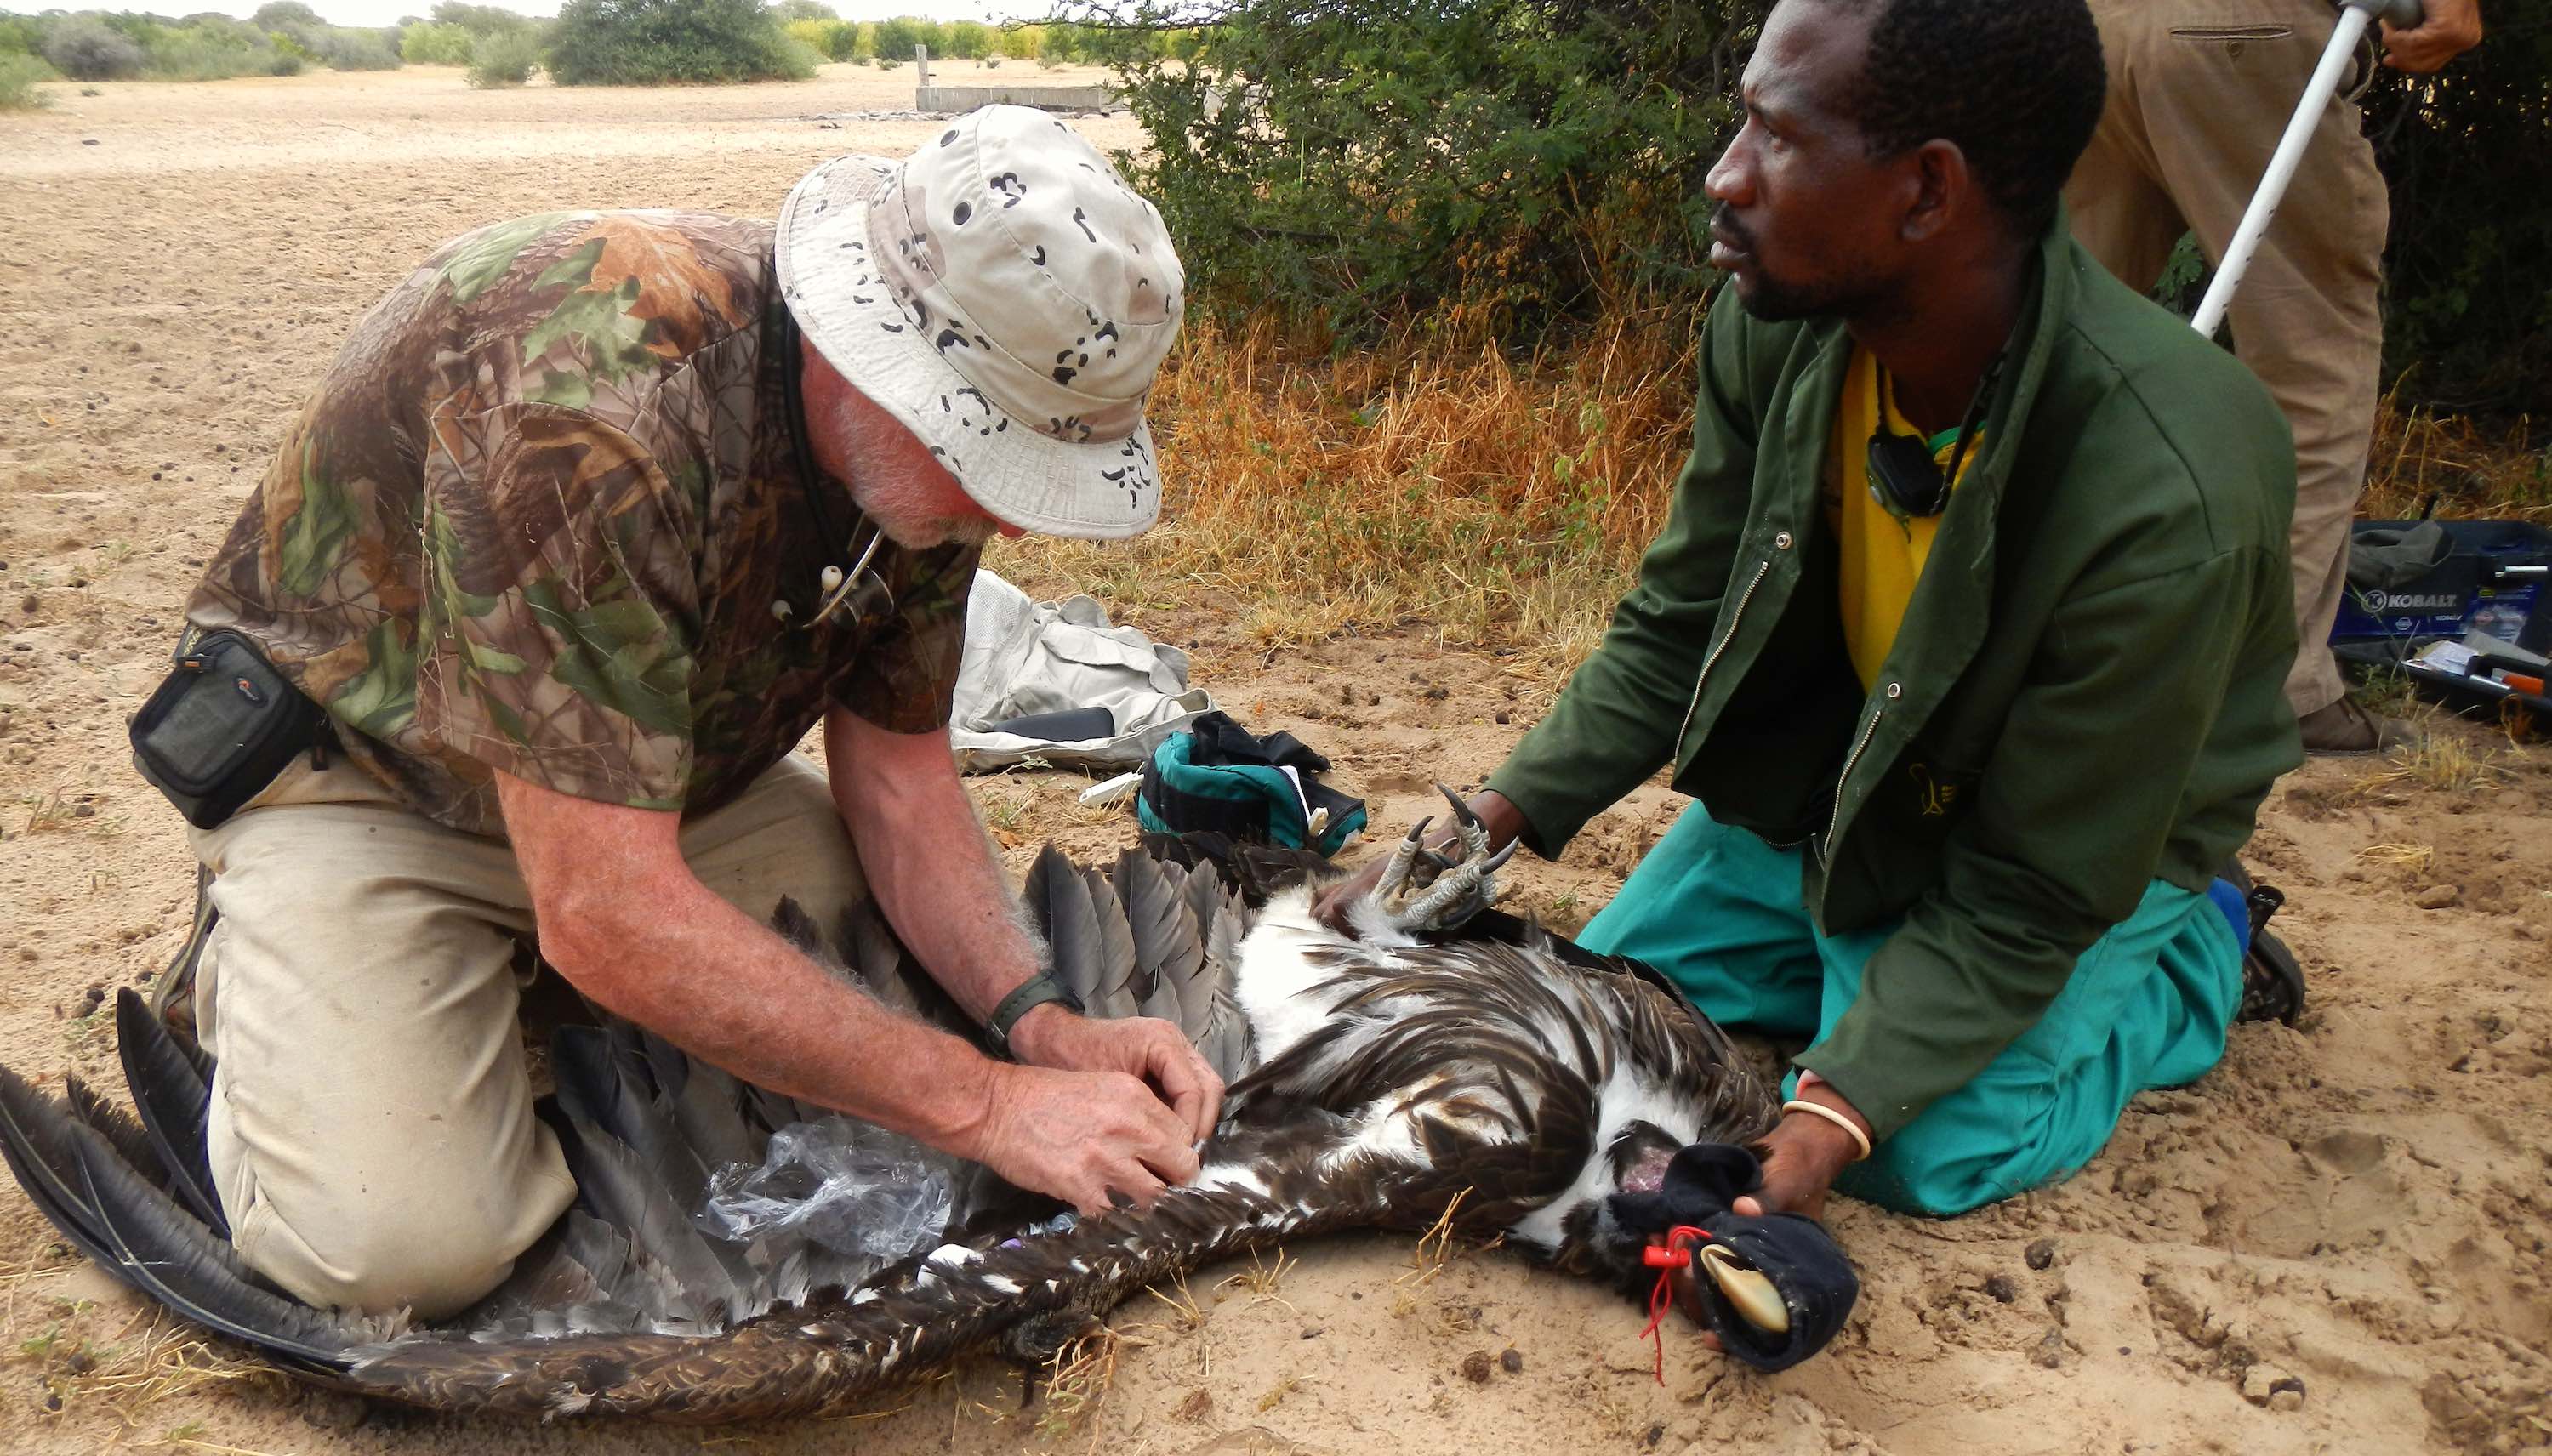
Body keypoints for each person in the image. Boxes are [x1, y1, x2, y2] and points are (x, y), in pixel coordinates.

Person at [161, 107, 1221, 1318]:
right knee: (396, 1251)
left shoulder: (916, 469)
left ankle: (517, 994)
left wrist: (1036, 1027)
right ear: (877, 363)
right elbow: (606, 909)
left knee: (908, 992)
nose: (1019, 518)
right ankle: (262, 978)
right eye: (997, 456)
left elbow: (899, 778)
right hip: (381, 788)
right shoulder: (589, 414)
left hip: (656, 791)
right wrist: (985, 1105)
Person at [1328, 0, 2300, 1243]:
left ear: (1925, 194)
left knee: (1926, 1147)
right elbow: (1680, 622)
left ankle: (2198, 952)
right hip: (1865, 783)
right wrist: (1470, 837)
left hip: (2079, 837)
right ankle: (1868, 961)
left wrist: (1839, 1110)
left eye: (1773, 136)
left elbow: (2035, 888)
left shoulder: (2172, 483)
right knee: (1612, 1000)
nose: (1721, 177)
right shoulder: (1778, 328)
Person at [2065, 0, 2486, 753]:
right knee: (2312, 371)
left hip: (2086, 27)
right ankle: (2271, 693)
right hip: (2239, 30)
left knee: (2060, 347)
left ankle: (2009, 641)